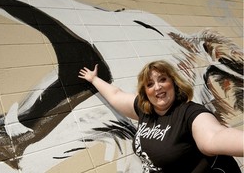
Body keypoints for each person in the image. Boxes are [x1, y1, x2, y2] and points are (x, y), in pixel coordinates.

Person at [78, 60, 243, 173]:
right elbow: (115, 95)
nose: (157, 87)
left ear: (174, 83)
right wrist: (93, 79)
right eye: (150, 84)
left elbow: (214, 136)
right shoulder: (145, 111)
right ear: (145, 92)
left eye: (162, 80)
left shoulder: (189, 113)